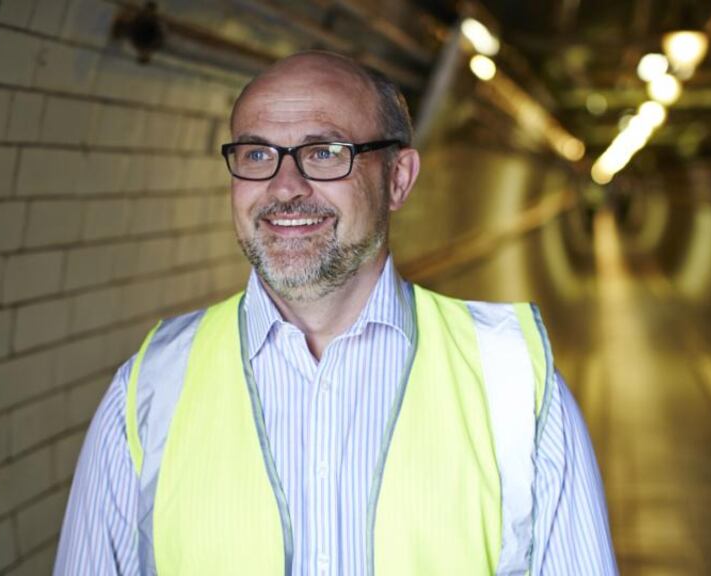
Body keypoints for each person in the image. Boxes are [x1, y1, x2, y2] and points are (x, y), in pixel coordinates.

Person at [55, 50, 616, 575]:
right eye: (256, 154)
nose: (284, 187)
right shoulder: (151, 386)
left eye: (324, 153)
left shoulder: (515, 382)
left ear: (398, 179)